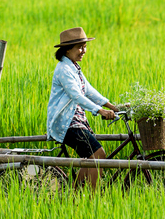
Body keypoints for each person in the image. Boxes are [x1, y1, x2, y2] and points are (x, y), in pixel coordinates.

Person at [47, 27, 118, 190]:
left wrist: (111, 106)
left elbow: (88, 90)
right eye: (80, 47)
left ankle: (74, 196)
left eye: (85, 46)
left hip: (76, 121)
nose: (83, 51)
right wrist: (99, 111)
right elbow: (76, 95)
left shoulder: (73, 67)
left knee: (90, 158)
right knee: (98, 154)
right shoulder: (64, 69)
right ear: (67, 50)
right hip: (67, 124)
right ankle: (94, 200)